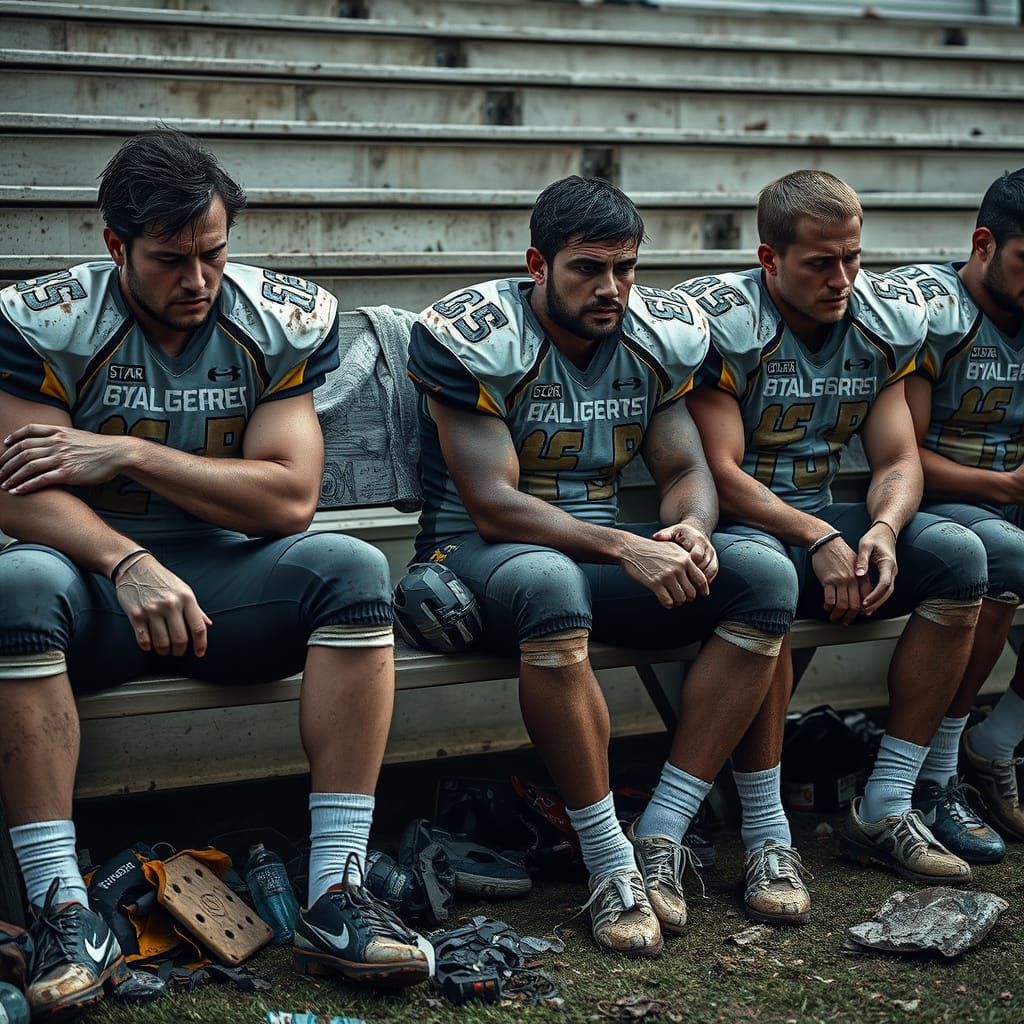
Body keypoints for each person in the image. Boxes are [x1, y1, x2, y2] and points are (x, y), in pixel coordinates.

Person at [0, 129, 427, 1016]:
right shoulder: (46, 318)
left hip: (230, 592)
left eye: (212, 253)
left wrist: (123, 451)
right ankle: (60, 905)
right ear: (115, 246)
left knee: (351, 566)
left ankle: (336, 892)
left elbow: (287, 500)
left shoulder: (274, 316)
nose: (197, 281)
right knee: (15, 582)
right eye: (169, 260)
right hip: (95, 590)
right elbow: (19, 489)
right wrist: (127, 559)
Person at [407, 175, 801, 956]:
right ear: (537, 264)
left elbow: (687, 471)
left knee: (766, 576)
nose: (611, 288)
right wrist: (629, 546)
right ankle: (607, 859)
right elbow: (492, 501)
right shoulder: (476, 333)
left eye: (624, 268)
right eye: (588, 268)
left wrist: (688, 528)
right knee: (549, 582)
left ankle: (673, 831)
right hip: (480, 556)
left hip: (598, 557)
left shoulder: (653, 336)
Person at [684, 169, 989, 897]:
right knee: (771, 579)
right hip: (741, 530)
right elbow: (721, 473)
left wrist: (882, 529)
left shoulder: (878, 321)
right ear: (770, 260)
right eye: (822, 262)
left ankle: (885, 804)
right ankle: (767, 829)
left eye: (852, 257)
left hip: (822, 520)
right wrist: (820, 536)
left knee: (959, 556)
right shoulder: (729, 322)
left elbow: (898, 458)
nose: (843, 278)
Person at [895, 168, 1024, 859]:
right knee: (1001, 560)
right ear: (984, 244)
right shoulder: (933, 310)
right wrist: (1003, 485)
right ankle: (936, 776)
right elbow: (905, 456)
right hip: (941, 507)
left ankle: (995, 742)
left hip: (1006, 502)